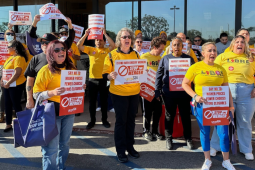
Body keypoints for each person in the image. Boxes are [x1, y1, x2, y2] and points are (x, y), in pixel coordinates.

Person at [33, 40, 86, 170]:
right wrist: (52, 92)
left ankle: (61, 167)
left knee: (65, 144)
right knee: (51, 148)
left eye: (63, 49)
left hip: (69, 112)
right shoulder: (45, 70)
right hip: (52, 114)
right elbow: (36, 94)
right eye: (56, 50)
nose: (61, 52)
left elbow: (75, 87)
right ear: (51, 53)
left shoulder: (71, 67)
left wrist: (81, 86)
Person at [182, 42, 236, 170]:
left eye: (214, 51)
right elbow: (184, 84)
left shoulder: (221, 69)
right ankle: (207, 160)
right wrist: (195, 96)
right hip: (202, 106)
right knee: (205, 133)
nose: (213, 53)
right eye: (210, 51)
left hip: (220, 106)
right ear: (203, 53)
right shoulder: (195, 67)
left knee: (223, 134)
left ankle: (226, 161)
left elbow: (226, 89)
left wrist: (231, 107)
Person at [210, 35, 255, 161]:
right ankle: (215, 146)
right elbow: (213, 70)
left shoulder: (251, 57)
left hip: (247, 92)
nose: (240, 44)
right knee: (221, 120)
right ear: (232, 45)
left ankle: (246, 149)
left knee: (245, 121)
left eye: (242, 42)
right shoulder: (223, 56)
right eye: (237, 42)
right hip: (225, 89)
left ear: (245, 45)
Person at [102, 27, 140, 163]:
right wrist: (109, 76)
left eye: (129, 37)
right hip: (119, 94)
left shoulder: (136, 54)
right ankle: (120, 150)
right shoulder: (111, 55)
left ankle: (130, 147)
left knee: (131, 121)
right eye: (124, 37)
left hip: (134, 93)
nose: (127, 39)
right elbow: (104, 75)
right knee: (121, 122)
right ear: (119, 40)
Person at [25, 15, 75, 110]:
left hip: (63, 102)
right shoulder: (36, 58)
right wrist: (29, 98)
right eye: (42, 42)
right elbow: (30, 80)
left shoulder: (62, 56)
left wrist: (69, 24)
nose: (44, 44)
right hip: (42, 101)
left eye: (47, 42)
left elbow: (70, 38)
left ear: (53, 44)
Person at [155, 37, 195, 150]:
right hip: (169, 94)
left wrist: (195, 93)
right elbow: (159, 74)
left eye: (179, 45)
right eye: (174, 45)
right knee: (169, 117)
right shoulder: (165, 58)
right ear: (171, 47)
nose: (176, 47)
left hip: (184, 94)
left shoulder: (189, 59)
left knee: (186, 117)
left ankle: (188, 138)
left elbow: (195, 75)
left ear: (182, 46)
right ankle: (169, 138)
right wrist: (156, 90)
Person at [77, 26, 115, 129]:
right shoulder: (90, 49)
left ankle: (104, 120)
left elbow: (114, 45)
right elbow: (79, 45)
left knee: (103, 102)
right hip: (92, 80)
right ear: (95, 41)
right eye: (97, 40)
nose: (99, 42)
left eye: (101, 40)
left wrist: (105, 34)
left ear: (104, 41)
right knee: (92, 103)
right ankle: (92, 121)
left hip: (104, 79)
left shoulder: (107, 50)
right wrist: (85, 34)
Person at [141, 37, 166, 141]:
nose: (162, 51)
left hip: (157, 90)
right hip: (147, 88)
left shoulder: (161, 58)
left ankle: (155, 131)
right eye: (160, 49)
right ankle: (146, 131)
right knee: (147, 112)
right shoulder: (144, 57)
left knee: (158, 111)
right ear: (154, 47)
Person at [1, 40, 28, 132]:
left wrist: (8, 83)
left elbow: (17, 73)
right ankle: (8, 124)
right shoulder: (10, 58)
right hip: (7, 85)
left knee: (16, 105)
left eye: (8, 47)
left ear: (14, 48)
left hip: (16, 85)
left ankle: (21, 125)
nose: (7, 48)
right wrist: (2, 81)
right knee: (7, 104)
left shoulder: (19, 58)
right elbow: (4, 70)